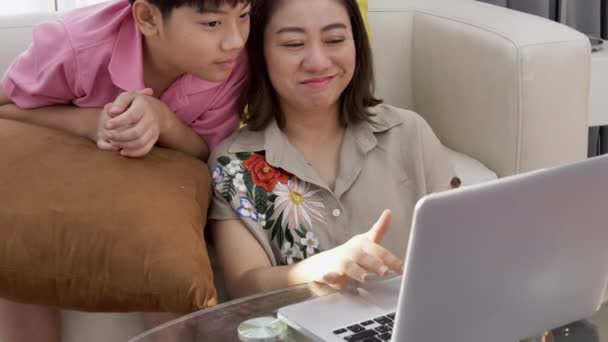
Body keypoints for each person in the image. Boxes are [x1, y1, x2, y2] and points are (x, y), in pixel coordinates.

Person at [0, 0, 250, 340]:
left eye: (244, 16)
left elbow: (210, 153)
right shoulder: (76, 45)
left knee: (167, 255)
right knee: (18, 255)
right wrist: (87, 122)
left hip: (150, 192)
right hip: (55, 176)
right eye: (212, 24)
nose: (235, 39)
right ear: (148, 17)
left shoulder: (231, 64)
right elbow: (5, 108)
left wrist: (164, 122)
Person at [207, 0, 459, 300]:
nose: (317, 61)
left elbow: (465, 243)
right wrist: (318, 269)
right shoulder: (233, 163)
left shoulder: (409, 133)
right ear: (259, 53)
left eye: (335, 40)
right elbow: (245, 286)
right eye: (293, 43)